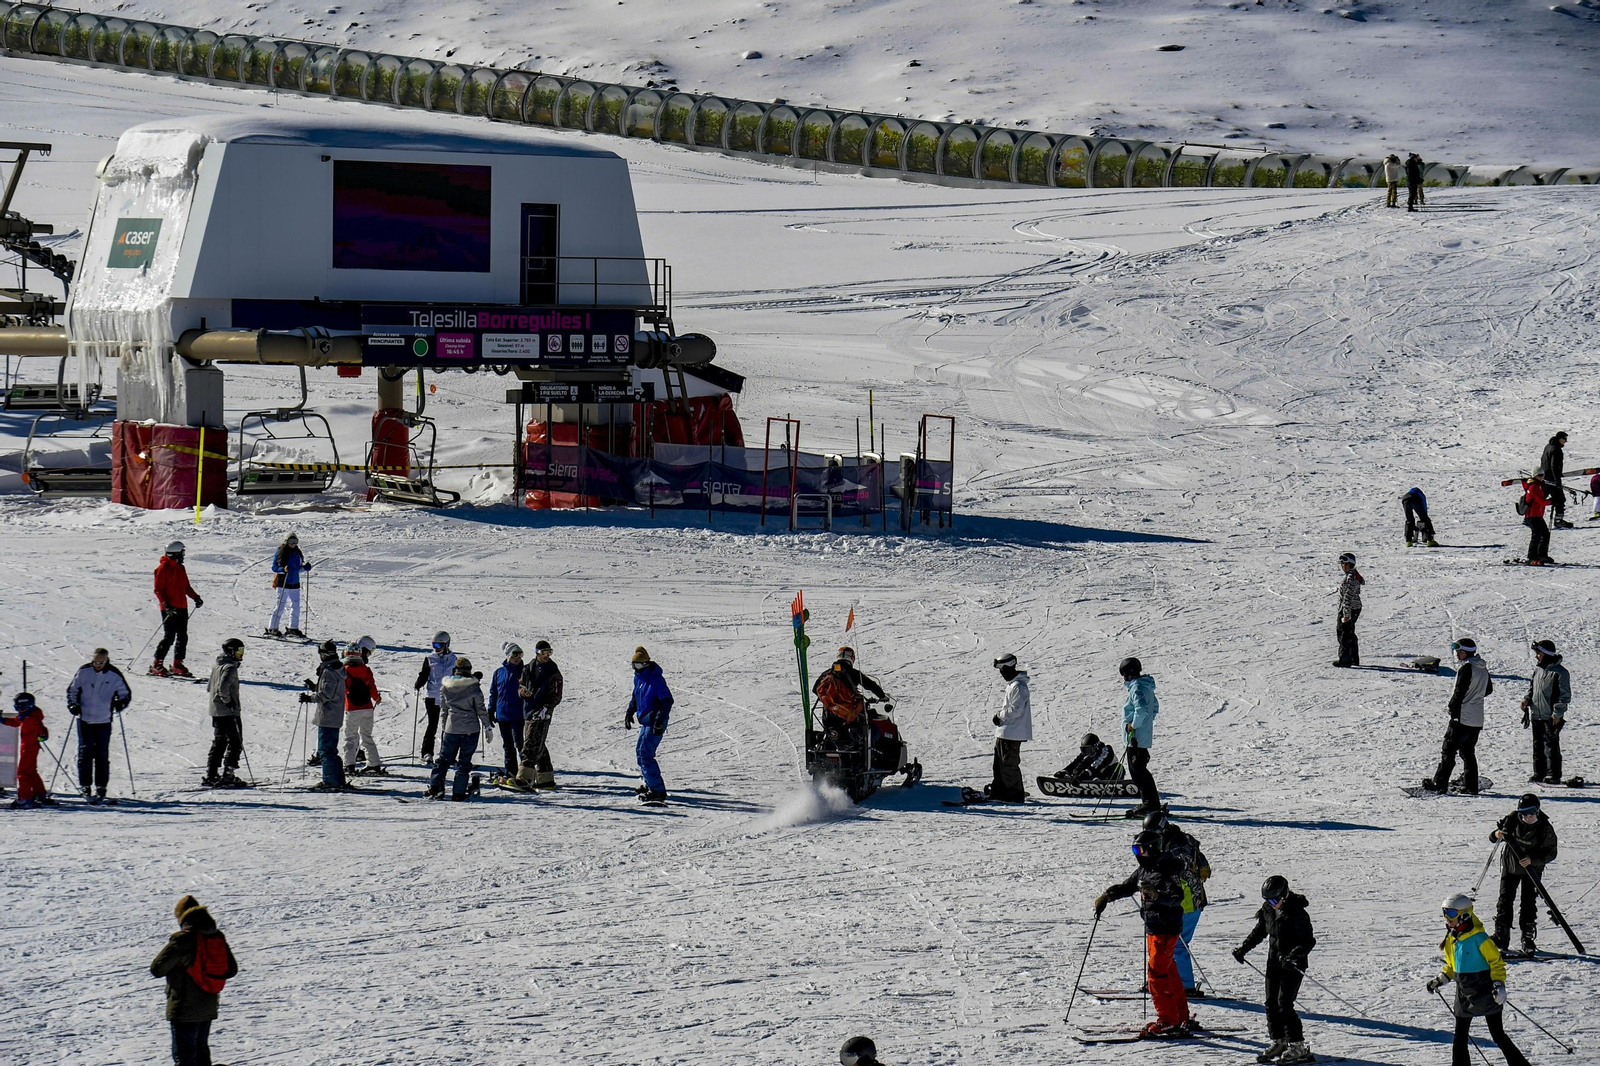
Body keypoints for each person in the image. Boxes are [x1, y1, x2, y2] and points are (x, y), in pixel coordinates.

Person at [1094, 829, 1191, 1037]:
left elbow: (1176, 896)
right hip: (1153, 928)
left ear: (1154, 848)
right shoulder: (1144, 869)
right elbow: (1128, 887)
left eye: (1141, 849)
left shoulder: (1167, 868)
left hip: (1166, 928)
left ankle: (1168, 1020)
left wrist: (1157, 895)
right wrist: (1107, 896)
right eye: (1134, 849)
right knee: (1169, 972)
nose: (1137, 854)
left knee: (1157, 975)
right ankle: (1181, 1016)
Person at [1426, 893, 1531, 1066]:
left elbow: (1496, 963)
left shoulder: (1480, 939)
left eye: (1451, 913)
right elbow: (1452, 967)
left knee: (1497, 1034)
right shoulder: (1452, 939)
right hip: (1464, 995)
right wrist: (1441, 980)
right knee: (1460, 1036)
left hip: (1486, 993)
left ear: (1465, 914)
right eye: (1444, 912)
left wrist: (1499, 984)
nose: (1447, 918)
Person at [1233, 874, 1317, 1065]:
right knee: (1270, 1003)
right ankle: (1279, 1041)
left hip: (1293, 965)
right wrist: (1243, 949)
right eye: (1267, 900)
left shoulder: (1298, 913)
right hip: (1274, 962)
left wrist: (1294, 957)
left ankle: (1297, 1046)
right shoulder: (1268, 910)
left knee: (1284, 1003)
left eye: (1274, 900)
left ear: (1284, 895)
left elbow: (1308, 941)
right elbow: (1260, 931)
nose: (1271, 904)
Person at [150, 894, 238, 1066]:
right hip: (208, 1005)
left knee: (185, 1058)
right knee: (201, 1054)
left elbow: (157, 969)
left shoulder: (183, 939)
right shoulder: (216, 936)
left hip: (184, 1007)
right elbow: (232, 969)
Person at [1147, 809, 1211, 997]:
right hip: (1180, 899)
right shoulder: (1178, 840)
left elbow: (1174, 870)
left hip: (1186, 901)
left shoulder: (1177, 847)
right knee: (1163, 941)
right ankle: (1163, 980)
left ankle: (1185, 985)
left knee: (1177, 944)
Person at [1422, 638, 1492, 794]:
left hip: (1462, 716)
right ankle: (1471, 786)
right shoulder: (1482, 668)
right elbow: (1488, 690)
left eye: (1460, 651)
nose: (1457, 654)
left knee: (1448, 750)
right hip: (1476, 718)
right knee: (1468, 753)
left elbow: (1459, 691)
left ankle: (1439, 784)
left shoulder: (1467, 668)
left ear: (1467, 652)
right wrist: (1475, 696)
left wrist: (1452, 708)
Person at [1490, 794, 1558, 955]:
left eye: (1532, 812)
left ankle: (1527, 938)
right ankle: (1501, 936)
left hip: (1531, 871)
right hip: (1511, 866)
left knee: (1528, 902)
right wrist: (1497, 834)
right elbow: (1493, 837)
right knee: (1504, 900)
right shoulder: (1512, 820)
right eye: (1525, 813)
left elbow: (1551, 852)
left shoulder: (1544, 827)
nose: (1529, 817)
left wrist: (1533, 860)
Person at [65, 647, 133, 804]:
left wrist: (120, 703)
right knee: (85, 753)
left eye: (101, 662)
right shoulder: (84, 672)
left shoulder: (114, 674)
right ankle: (85, 785)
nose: (97, 665)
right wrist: (73, 705)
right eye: (95, 662)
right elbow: (72, 690)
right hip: (85, 719)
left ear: (106, 660)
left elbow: (125, 693)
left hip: (104, 720)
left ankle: (101, 786)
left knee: (102, 754)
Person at [429, 657, 489, 800]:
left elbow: (444, 710)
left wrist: (444, 728)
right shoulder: (474, 687)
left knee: (443, 760)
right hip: (470, 729)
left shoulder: (446, 687)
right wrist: (487, 725)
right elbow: (480, 709)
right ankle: (458, 793)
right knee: (464, 762)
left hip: (451, 728)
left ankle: (435, 787)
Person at [625, 646, 674, 803]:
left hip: (655, 722)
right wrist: (630, 711)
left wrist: (659, 720)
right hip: (646, 720)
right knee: (640, 753)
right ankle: (649, 783)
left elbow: (667, 700)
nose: (636, 669)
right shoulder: (639, 677)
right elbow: (636, 695)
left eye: (638, 665)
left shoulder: (655, 678)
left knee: (646, 755)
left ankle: (658, 791)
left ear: (646, 664)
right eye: (633, 665)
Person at [812, 646, 889, 746]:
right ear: (852, 658)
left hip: (829, 714)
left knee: (830, 734)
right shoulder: (853, 673)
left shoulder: (827, 673)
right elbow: (870, 685)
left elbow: (815, 689)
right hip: (849, 715)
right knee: (869, 720)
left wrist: (832, 700)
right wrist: (882, 696)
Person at [517, 639, 564, 788]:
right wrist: (522, 692)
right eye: (544, 652)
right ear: (537, 653)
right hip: (529, 710)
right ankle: (545, 778)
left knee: (531, 745)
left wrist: (546, 708)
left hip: (543, 713)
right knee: (538, 743)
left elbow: (557, 694)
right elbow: (521, 684)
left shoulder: (553, 671)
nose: (547, 655)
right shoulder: (528, 668)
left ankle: (524, 778)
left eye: (549, 652)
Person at [152, 541, 203, 677]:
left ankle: (177, 664)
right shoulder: (162, 569)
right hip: (169, 608)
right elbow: (158, 590)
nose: (183, 555)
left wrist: (195, 597)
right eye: (182, 553)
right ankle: (157, 664)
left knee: (182, 636)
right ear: (175, 553)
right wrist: (166, 604)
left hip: (182, 607)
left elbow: (186, 587)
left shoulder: (180, 568)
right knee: (169, 636)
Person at [1521, 639, 1569, 784]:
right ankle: (1539, 773)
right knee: (1538, 745)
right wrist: (1526, 699)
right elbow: (1532, 689)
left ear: (1546, 654)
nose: (1536, 656)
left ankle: (1553, 774)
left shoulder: (1560, 673)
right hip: (1536, 714)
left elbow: (1564, 695)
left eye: (1539, 653)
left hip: (1551, 716)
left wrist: (1557, 713)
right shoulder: (1538, 670)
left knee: (1551, 746)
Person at [986, 653, 1031, 802]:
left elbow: (1016, 709)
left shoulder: (1019, 686)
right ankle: (999, 792)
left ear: (1010, 667)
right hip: (1005, 732)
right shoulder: (1013, 685)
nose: (1002, 673)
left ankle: (1014, 795)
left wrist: (1000, 716)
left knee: (1008, 766)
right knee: (999, 766)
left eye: (1003, 670)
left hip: (1012, 733)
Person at [1120, 656, 1161, 818]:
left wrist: (1134, 725)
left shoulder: (1136, 686)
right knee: (1139, 770)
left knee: (1138, 772)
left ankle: (1149, 804)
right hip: (1140, 736)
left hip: (1135, 737)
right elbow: (1154, 707)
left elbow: (1142, 708)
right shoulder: (1146, 686)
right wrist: (1145, 724)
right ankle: (1151, 803)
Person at [204, 638, 247, 787]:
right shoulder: (230, 667)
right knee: (235, 742)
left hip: (216, 711)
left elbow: (210, 687)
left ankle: (211, 773)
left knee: (220, 741)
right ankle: (228, 774)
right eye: (240, 651)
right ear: (231, 651)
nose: (242, 654)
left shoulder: (217, 665)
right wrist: (229, 701)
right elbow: (222, 688)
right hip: (228, 712)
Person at [305, 639, 346, 790]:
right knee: (330, 750)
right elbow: (329, 690)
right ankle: (338, 779)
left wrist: (310, 698)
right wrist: (314, 687)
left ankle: (330, 781)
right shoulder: (336, 669)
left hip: (328, 716)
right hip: (334, 715)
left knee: (325, 751)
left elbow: (327, 694)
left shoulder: (329, 671)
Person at [412, 631, 457, 765]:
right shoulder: (430, 658)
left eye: (439, 645)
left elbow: (458, 675)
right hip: (432, 696)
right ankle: (427, 753)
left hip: (448, 698)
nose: (436, 648)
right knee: (432, 725)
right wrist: (419, 683)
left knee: (448, 727)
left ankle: (447, 754)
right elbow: (425, 674)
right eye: (434, 645)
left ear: (446, 644)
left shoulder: (454, 659)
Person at [2, 692, 54, 809]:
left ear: (24, 704)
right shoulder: (26, 715)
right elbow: (16, 722)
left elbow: (41, 729)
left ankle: (24, 798)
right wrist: (3, 720)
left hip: (29, 748)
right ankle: (39, 794)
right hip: (28, 746)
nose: (16, 708)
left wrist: (42, 735)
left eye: (17, 705)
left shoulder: (31, 717)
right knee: (31, 772)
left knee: (23, 773)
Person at [342, 642, 383, 774]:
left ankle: (349, 764)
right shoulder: (366, 670)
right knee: (366, 735)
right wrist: (377, 699)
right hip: (367, 708)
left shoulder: (344, 671)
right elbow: (372, 688)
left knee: (350, 737)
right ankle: (374, 763)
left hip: (352, 708)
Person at [266, 532, 311, 638]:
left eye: (295, 541)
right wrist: (283, 569)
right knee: (280, 605)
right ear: (286, 541)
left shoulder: (298, 553)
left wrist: (305, 568)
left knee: (296, 607)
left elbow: (297, 569)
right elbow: (274, 568)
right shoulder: (281, 552)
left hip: (294, 583)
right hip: (283, 582)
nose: (293, 544)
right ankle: (273, 627)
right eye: (291, 541)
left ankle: (293, 628)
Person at [490, 643, 525, 778]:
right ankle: (511, 772)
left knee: (520, 744)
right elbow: (494, 692)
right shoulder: (499, 672)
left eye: (520, 655)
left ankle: (525, 772)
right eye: (515, 655)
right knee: (508, 745)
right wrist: (491, 710)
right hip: (503, 715)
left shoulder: (524, 671)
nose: (518, 658)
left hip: (518, 714)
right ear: (508, 656)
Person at [1333, 552, 1363, 667]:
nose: (1342, 566)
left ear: (1350, 564)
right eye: (1342, 564)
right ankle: (1353, 658)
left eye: (1345, 564)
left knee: (1344, 634)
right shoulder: (1352, 575)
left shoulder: (1351, 578)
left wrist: (1346, 615)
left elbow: (1348, 598)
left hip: (1350, 609)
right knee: (1349, 634)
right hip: (1351, 608)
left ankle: (1345, 660)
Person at [1054, 732, 1122, 783]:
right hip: (1094, 774)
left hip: (1111, 774)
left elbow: (1097, 764)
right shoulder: (1087, 754)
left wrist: (1083, 775)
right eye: (1084, 750)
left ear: (1096, 747)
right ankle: (1089, 780)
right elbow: (1076, 762)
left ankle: (1101, 781)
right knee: (1082, 765)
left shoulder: (1106, 750)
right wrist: (1066, 771)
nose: (1087, 752)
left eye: (1089, 750)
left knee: (1118, 767)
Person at [1538, 431, 1571, 529]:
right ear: (1560, 439)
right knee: (1560, 499)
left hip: (1544, 477)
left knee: (1539, 497)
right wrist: (1557, 480)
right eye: (1564, 439)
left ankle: (1529, 518)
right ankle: (1558, 521)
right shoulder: (1556, 449)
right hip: (1551, 479)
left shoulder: (1548, 446)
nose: (1565, 441)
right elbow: (1554, 466)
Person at [1519, 478, 1553, 565]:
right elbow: (1541, 502)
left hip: (1537, 516)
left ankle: (1541, 555)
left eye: (1542, 475)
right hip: (1532, 516)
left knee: (1545, 534)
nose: (1542, 477)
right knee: (1536, 536)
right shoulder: (1533, 487)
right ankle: (1531, 558)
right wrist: (1551, 501)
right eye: (1539, 475)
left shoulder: (1539, 486)